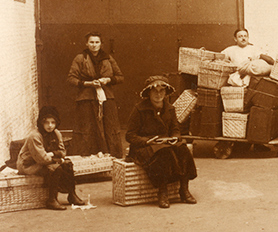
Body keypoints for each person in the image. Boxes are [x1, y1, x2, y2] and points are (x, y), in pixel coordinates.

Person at [125, 75, 198, 209]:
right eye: (155, 91)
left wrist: (174, 138)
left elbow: (175, 129)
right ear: (149, 93)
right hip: (144, 146)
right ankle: (162, 192)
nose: (158, 95)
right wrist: (148, 141)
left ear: (165, 93)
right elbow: (130, 135)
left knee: (182, 148)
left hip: (165, 143)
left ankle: (184, 189)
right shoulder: (139, 109)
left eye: (161, 91)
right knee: (163, 153)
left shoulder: (170, 108)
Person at [67, 32, 125, 158]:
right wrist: (87, 83)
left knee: (109, 126)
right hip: (86, 98)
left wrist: (108, 80)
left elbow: (120, 77)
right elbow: (71, 78)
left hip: (106, 97)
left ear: (101, 44)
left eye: (97, 42)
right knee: (88, 127)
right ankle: (86, 158)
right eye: (91, 42)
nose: (94, 45)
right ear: (86, 43)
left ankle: (111, 156)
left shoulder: (108, 58)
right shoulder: (80, 58)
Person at [17, 107, 85, 211]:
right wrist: (57, 159)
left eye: (53, 122)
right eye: (47, 122)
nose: (50, 126)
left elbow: (63, 152)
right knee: (56, 168)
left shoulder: (56, 133)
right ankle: (52, 199)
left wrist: (53, 153)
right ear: (41, 122)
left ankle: (72, 195)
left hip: (44, 161)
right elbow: (42, 159)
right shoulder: (35, 136)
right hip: (30, 165)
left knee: (67, 164)